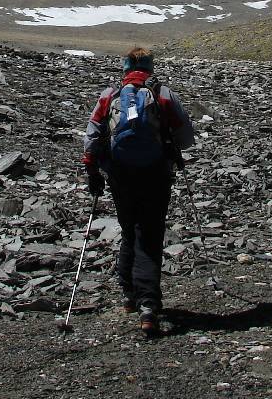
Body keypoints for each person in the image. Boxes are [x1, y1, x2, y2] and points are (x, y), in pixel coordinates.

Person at [82, 47, 195, 336]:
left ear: (125, 67)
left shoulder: (111, 95)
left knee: (128, 228)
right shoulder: (162, 94)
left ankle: (128, 294)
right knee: (150, 232)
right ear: (149, 66)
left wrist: (92, 170)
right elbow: (185, 138)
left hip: (120, 173)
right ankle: (148, 304)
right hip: (155, 173)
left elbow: (93, 133)